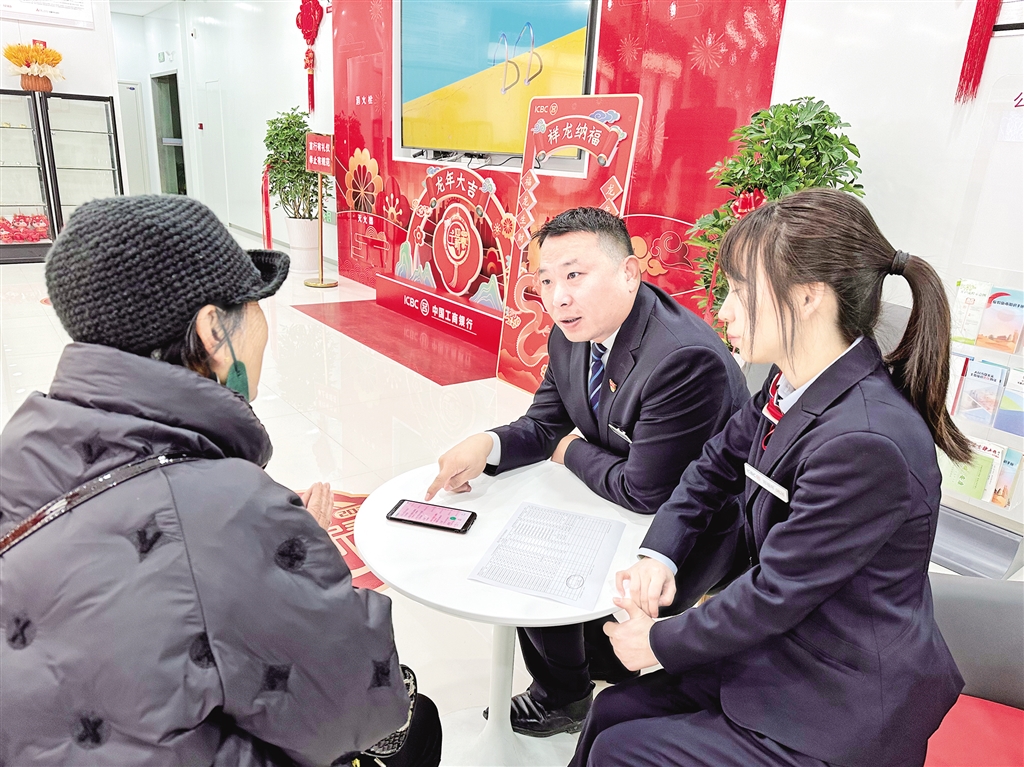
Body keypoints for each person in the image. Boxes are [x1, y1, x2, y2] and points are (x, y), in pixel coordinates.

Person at [0, 195, 441, 767]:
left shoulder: (22, 446)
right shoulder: (229, 509)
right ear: (213, 328)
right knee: (418, 727)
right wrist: (300, 566)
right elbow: (359, 708)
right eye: (254, 304)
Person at [571, 188, 968, 767]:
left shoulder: (866, 443)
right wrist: (661, 555)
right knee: (611, 711)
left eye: (739, 291)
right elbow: (715, 465)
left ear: (807, 296)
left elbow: (776, 590)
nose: (724, 312)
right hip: (788, 646)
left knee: (621, 749)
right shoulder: (793, 383)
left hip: (838, 701)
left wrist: (657, 642)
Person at [427, 207, 749, 736]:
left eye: (574, 275)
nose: (558, 298)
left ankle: (566, 695)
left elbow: (644, 491)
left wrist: (570, 451)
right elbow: (543, 424)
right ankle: (569, 684)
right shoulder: (571, 334)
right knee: (526, 554)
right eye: (546, 280)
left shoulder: (682, 359)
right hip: (612, 497)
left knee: (564, 600)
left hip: (687, 529)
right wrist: (487, 444)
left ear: (629, 273)